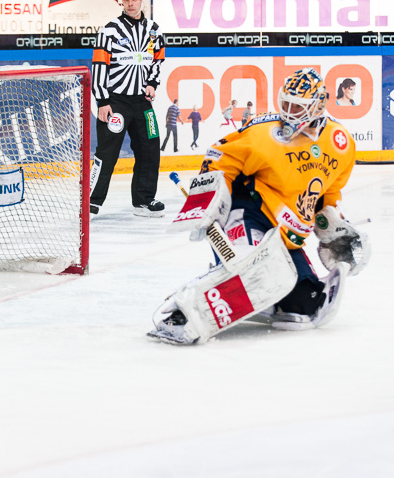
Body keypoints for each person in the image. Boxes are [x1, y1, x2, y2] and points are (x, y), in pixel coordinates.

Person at [148, 68, 369, 345]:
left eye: (297, 107)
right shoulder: (264, 133)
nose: (288, 112)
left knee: (305, 308)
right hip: (248, 212)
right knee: (253, 275)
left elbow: (329, 190)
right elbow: (218, 158)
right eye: (285, 103)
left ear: (317, 107)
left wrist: (331, 222)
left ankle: (263, 296)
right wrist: (207, 203)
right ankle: (186, 308)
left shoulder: (341, 143)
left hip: (287, 234)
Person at [90, 0, 166, 218]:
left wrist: (153, 83)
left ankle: (143, 200)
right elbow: (99, 66)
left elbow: (158, 59)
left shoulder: (154, 30)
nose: (131, 2)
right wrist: (102, 100)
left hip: (142, 103)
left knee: (150, 148)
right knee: (107, 153)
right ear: (120, 1)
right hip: (116, 102)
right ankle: (90, 203)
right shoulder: (109, 30)